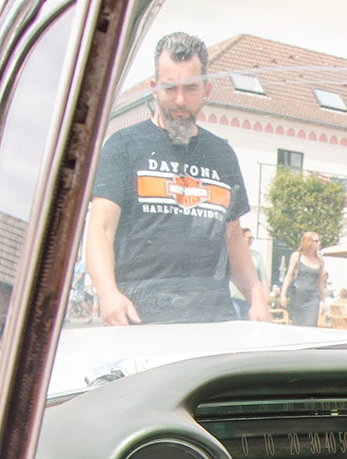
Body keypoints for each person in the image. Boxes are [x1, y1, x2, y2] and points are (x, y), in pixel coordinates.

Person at [85, 32, 269, 325]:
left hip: (212, 320)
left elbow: (233, 238)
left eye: (191, 88)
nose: (180, 100)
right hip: (139, 317)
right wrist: (107, 293)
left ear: (207, 90)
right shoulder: (123, 146)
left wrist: (257, 297)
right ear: (154, 88)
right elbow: (101, 229)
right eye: (170, 88)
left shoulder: (222, 155)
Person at [279, 231, 326, 326]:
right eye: (316, 241)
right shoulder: (297, 256)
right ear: (308, 242)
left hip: (313, 298)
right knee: (297, 326)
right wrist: (282, 294)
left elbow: (321, 283)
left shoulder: (320, 261)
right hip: (299, 297)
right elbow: (289, 275)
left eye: (319, 241)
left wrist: (323, 301)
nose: (319, 243)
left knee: (310, 325)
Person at [230, 230, 269, 320]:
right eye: (249, 238)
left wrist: (266, 298)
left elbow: (264, 278)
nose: (251, 240)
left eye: (252, 238)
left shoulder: (257, 256)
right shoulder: (234, 254)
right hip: (234, 297)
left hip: (250, 299)